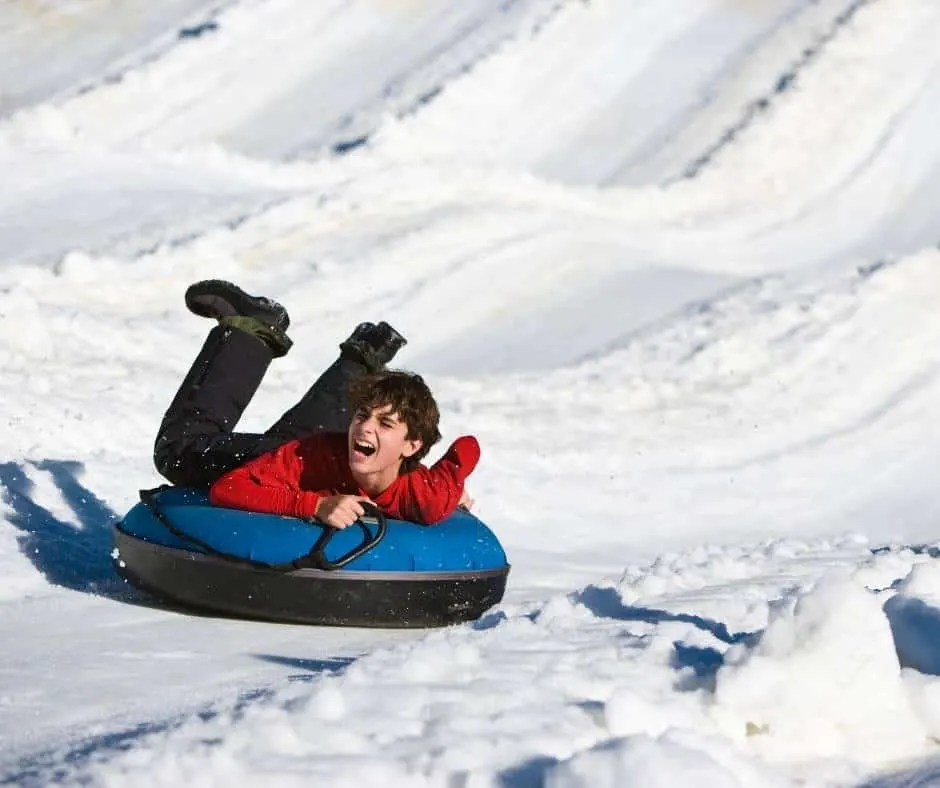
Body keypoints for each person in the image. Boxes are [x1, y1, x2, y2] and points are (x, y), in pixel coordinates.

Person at [153, 280, 480, 527]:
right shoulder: (305, 458)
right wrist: (312, 506)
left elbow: (466, 450)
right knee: (179, 452)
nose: (365, 425)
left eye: (386, 423)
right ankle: (250, 330)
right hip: (294, 459)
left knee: (313, 442)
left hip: (321, 452)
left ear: (412, 445)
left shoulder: (427, 496)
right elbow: (228, 489)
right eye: (362, 415)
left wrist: (453, 493)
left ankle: (365, 356)